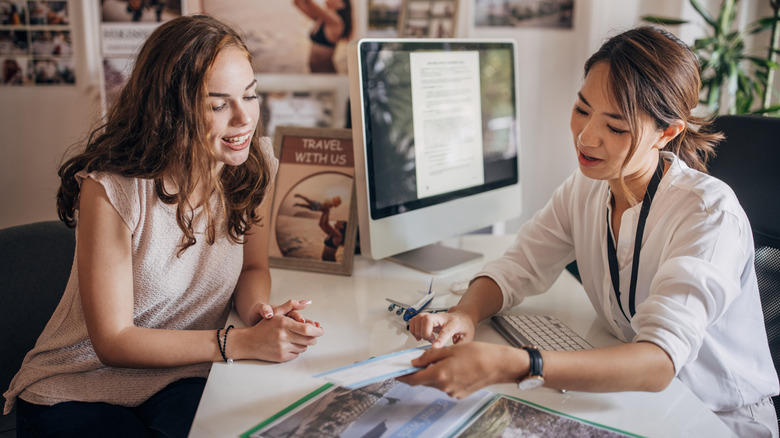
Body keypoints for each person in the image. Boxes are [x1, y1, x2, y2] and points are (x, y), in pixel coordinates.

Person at [399, 26, 779, 437]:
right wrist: (465, 313)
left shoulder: (708, 215)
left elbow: (657, 362)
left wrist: (515, 364)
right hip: (638, 402)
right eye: (582, 109)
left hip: (715, 418)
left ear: (667, 132)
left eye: (616, 127)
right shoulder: (587, 187)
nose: (586, 136)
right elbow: (518, 265)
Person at [3, 15, 324, 437]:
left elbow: (251, 269)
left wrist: (258, 316)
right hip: (78, 385)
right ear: (170, 109)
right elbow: (113, 341)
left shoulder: (254, 165)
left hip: (183, 373)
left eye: (250, 95)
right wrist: (241, 342)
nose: (244, 118)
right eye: (218, 104)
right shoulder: (111, 188)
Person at [292, 0, 352, 73]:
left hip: (327, 73)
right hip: (315, 72)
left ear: (341, 5)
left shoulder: (336, 22)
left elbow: (310, 3)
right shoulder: (321, 19)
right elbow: (297, 3)